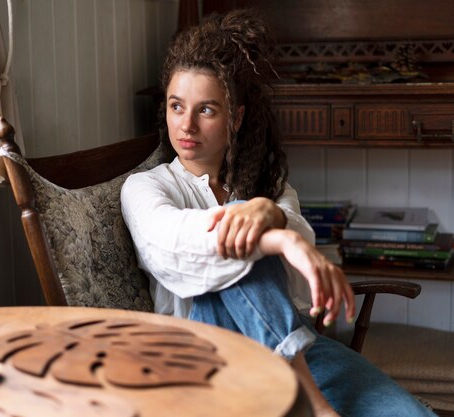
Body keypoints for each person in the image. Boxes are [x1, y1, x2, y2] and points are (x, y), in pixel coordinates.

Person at [120, 8, 436, 417]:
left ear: (236, 119)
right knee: (236, 220)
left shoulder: (269, 188)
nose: (187, 126)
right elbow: (176, 242)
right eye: (176, 106)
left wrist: (273, 215)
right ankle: (312, 402)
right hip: (208, 358)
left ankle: (304, 384)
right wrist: (276, 234)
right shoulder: (144, 187)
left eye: (207, 110)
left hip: (300, 346)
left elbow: (301, 271)